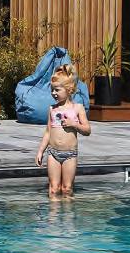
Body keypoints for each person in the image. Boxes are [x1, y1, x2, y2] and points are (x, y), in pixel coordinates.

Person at [35, 64, 91, 200]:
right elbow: (48, 132)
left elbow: (87, 130)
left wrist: (74, 124)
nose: (53, 93)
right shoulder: (52, 109)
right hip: (52, 153)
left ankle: (67, 213)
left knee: (67, 188)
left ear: (69, 89)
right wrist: (40, 151)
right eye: (52, 90)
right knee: (53, 189)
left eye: (57, 90)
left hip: (70, 155)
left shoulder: (77, 108)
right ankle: (53, 213)